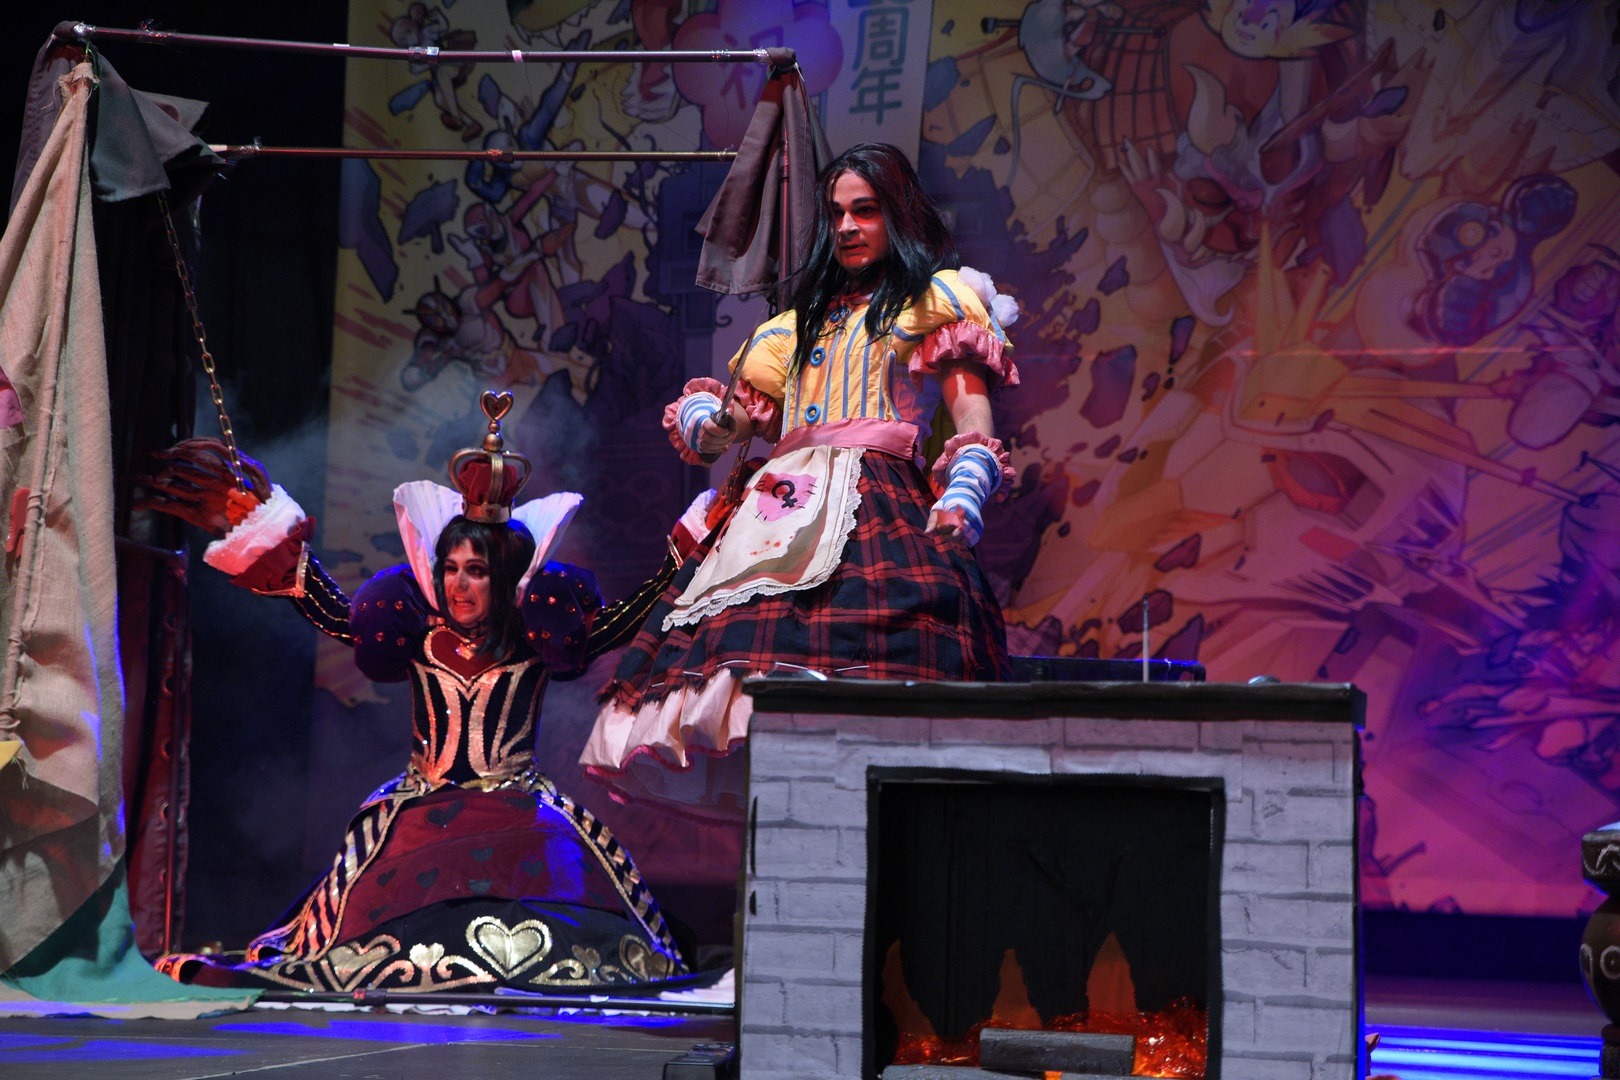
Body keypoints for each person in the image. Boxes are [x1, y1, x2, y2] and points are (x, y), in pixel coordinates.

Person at [141, 394, 692, 992]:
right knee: (364, 929)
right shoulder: (417, 633)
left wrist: (687, 555)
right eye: (450, 568)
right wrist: (260, 527)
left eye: (476, 571)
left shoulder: (532, 640)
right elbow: (325, 605)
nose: (459, 584)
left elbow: (630, 620)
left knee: (568, 920)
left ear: (505, 577)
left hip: (519, 807)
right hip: (420, 806)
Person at [584, 142, 1020, 803]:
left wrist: (965, 489)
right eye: (837, 213)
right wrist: (706, 417)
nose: (846, 227)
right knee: (748, 653)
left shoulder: (934, 302)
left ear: (897, 215)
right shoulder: (791, 330)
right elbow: (729, 427)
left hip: (879, 502)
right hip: (781, 507)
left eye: (865, 211)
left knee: (883, 644)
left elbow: (973, 418)